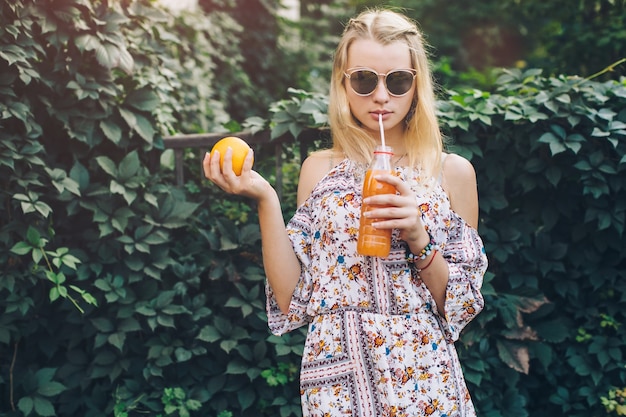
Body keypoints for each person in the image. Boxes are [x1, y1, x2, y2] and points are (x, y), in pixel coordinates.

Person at [203, 8, 488, 417]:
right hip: (338, 371)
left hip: (423, 372)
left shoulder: (452, 172)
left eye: (398, 81)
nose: (381, 96)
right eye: (364, 79)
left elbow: (458, 304)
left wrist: (418, 235)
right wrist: (265, 197)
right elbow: (291, 297)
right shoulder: (319, 168)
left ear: (417, 84)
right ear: (344, 83)